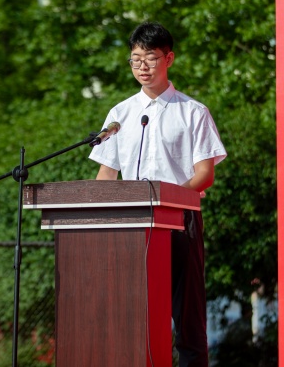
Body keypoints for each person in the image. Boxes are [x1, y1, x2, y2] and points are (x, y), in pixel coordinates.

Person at [89, 21, 227, 367]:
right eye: (136, 59)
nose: (143, 67)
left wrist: (167, 199)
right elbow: (107, 174)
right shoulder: (119, 115)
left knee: (188, 320)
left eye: (150, 58)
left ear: (169, 59)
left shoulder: (192, 112)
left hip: (180, 223)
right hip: (131, 227)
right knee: (133, 318)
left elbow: (205, 174)